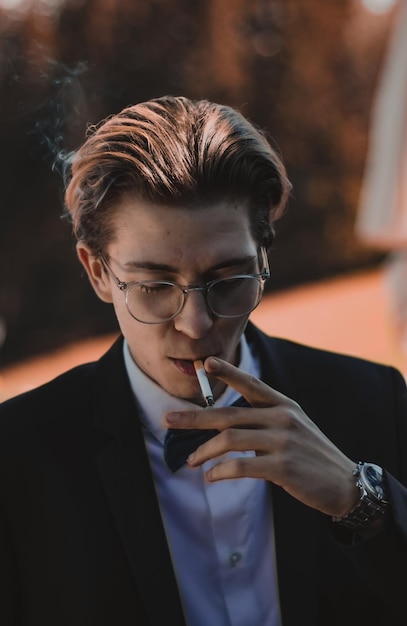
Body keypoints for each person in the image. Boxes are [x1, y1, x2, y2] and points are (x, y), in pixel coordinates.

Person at [0, 95, 406, 626]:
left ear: (264, 257)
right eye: (153, 285)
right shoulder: (17, 458)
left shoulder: (375, 400)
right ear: (98, 272)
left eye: (228, 279)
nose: (194, 325)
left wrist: (363, 501)